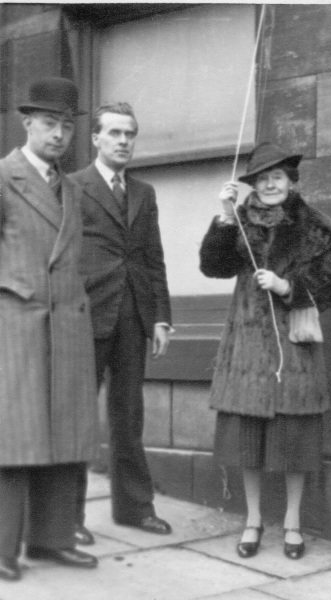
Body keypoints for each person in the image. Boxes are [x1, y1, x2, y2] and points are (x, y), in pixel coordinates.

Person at [199, 142, 331, 560]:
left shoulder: (314, 226)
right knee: (248, 437)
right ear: (252, 187)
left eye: (277, 177)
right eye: (262, 179)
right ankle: (254, 520)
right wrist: (224, 218)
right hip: (247, 343)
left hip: (294, 344)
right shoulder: (239, 220)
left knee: (294, 435)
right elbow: (214, 267)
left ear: (291, 181)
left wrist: (286, 287)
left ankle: (293, 521)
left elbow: (330, 286)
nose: (270, 184)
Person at [0, 77, 100, 581]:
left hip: (67, 327)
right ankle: (1, 549)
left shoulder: (72, 188)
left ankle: (51, 539)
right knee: (15, 442)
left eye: (66, 125)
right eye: (49, 123)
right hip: (16, 329)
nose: (59, 134)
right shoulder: (3, 177)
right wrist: (13, 288)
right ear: (27, 124)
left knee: (65, 436)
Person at [70, 102, 173, 544]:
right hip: (84, 315)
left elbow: (154, 258)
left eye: (130, 134)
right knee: (74, 419)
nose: (124, 141)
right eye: (114, 133)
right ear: (95, 138)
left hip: (133, 317)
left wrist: (163, 318)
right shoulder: (71, 187)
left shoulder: (144, 193)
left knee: (128, 417)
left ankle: (134, 508)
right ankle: (66, 518)